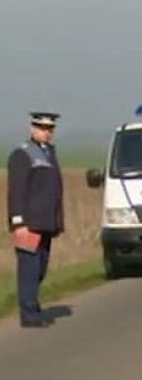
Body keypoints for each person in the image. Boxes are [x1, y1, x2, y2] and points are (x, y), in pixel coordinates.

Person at [7, 112, 64, 328]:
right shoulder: (23, 155)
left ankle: (31, 303)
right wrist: (18, 222)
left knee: (41, 267)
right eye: (42, 128)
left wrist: (57, 220)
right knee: (29, 268)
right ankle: (29, 314)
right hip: (29, 222)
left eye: (50, 129)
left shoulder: (49, 153)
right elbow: (17, 191)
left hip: (46, 222)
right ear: (32, 129)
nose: (46, 132)